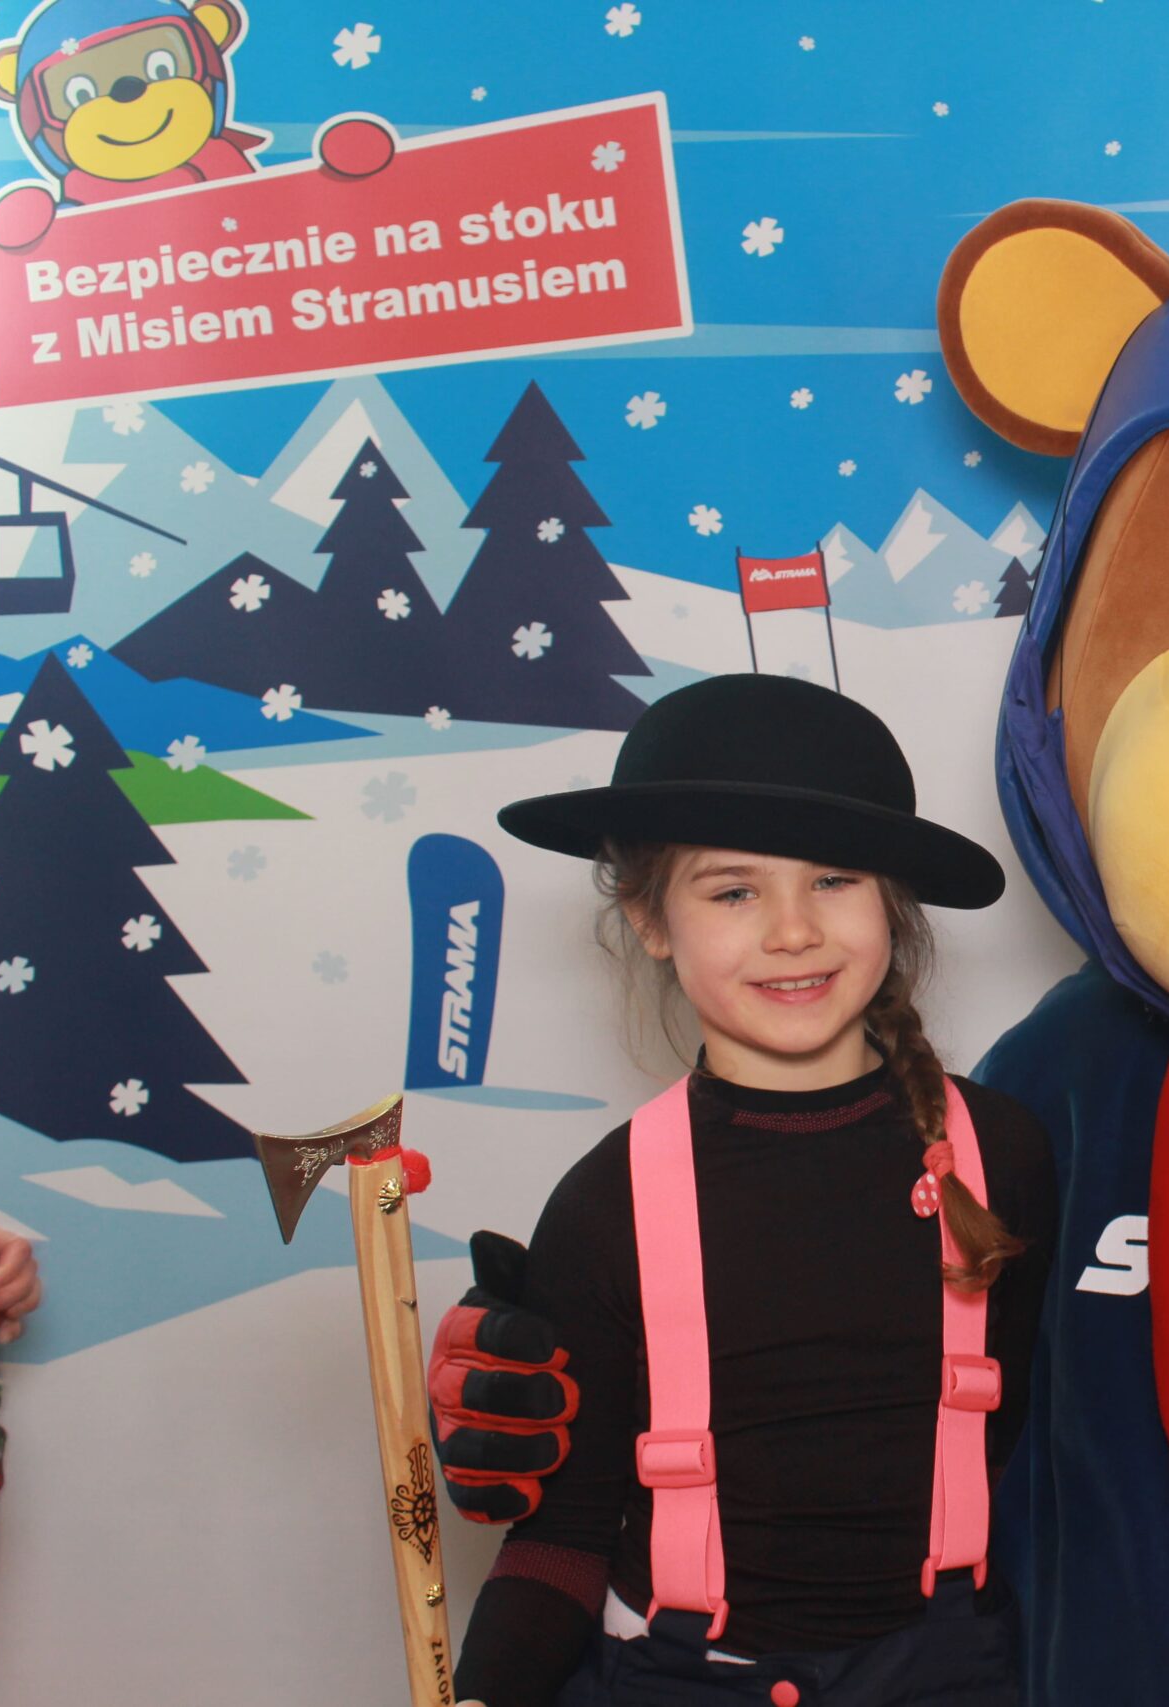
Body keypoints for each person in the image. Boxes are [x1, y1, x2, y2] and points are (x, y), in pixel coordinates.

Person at [445, 673, 1051, 1707]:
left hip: (953, 1673)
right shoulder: (606, 1205)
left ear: (893, 901)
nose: (792, 931)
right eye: (734, 891)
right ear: (650, 918)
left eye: (834, 880)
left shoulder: (1005, 1155)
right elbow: (563, 1535)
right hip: (681, 1679)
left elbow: (1061, 1457)